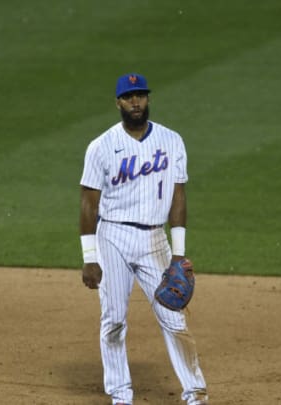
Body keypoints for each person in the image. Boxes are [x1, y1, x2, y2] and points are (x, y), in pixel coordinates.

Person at [79, 73, 208, 405]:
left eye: (141, 95)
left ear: (148, 99)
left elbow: (178, 197)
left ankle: (195, 392)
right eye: (129, 96)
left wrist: (178, 254)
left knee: (174, 318)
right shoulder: (101, 147)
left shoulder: (171, 140)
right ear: (118, 102)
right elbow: (88, 203)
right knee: (114, 320)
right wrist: (89, 257)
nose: (135, 102)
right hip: (113, 237)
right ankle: (121, 395)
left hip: (155, 239)